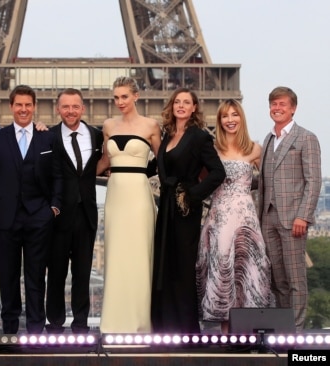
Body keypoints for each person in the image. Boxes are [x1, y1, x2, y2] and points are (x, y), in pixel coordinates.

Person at [0, 85, 62, 334]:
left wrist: (54, 208)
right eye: (19, 105)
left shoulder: (47, 137)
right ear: (11, 107)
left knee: (36, 276)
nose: (23, 109)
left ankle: (36, 329)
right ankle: (10, 328)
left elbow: (58, 175)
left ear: (34, 107)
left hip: (39, 216)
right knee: (8, 276)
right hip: (5, 218)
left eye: (28, 104)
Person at [151, 88, 226, 334]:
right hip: (166, 208)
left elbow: (218, 172)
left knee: (182, 267)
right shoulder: (168, 134)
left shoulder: (198, 137)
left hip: (184, 210)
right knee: (166, 264)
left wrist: (192, 195)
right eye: (177, 102)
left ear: (194, 108)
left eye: (187, 102)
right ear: (172, 106)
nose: (181, 106)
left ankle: (185, 328)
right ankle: (164, 326)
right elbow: (156, 167)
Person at [195, 99, 271, 334]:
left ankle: (247, 331)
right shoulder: (211, 149)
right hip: (220, 216)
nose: (230, 120)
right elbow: (200, 180)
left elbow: (268, 183)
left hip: (245, 217)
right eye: (225, 116)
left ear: (241, 118)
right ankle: (226, 332)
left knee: (247, 268)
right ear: (219, 120)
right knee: (223, 266)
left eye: (234, 115)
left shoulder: (256, 149)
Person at [100, 77, 162, 333]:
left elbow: (164, 162)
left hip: (138, 194)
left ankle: (140, 323)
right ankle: (114, 324)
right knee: (116, 257)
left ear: (136, 96)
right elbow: (104, 161)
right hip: (116, 196)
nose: (120, 102)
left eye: (124, 96)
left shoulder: (151, 125)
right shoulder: (108, 125)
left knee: (139, 257)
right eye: (116, 97)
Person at [258, 86, 321, 331]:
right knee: (278, 279)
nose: (277, 108)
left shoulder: (306, 137)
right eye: (274, 104)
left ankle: (296, 329)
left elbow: (313, 180)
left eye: (282, 104)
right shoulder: (268, 139)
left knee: (295, 279)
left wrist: (303, 216)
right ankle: (284, 327)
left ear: (293, 108)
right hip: (268, 217)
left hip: (294, 218)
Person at [45, 88, 105, 334]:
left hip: (86, 213)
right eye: (65, 107)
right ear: (58, 109)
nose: (70, 111)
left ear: (83, 108)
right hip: (58, 214)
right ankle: (55, 324)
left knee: (82, 274)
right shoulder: (47, 137)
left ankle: (81, 325)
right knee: (56, 273)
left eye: (75, 106)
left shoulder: (98, 136)